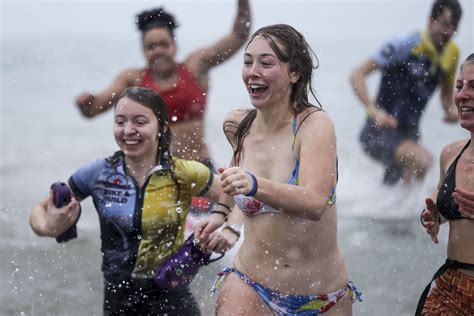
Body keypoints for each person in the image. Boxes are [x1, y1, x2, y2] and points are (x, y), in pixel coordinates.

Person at [195, 24, 362, 315]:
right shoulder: (238, 126)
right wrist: (221, 218)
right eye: (248, 62)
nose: (252, 72)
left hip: (321, 297)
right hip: (250, 282)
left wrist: (255, 184)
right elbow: (234, 179)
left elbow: (314, 203)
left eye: (266, 63)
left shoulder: (314, 126)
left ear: (294, 72)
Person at [30, 87, 234, 315]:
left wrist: (224, 221)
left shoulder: (182, 173)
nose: (128, 130)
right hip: (118, 301)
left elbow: (234, 191)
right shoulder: (99, 174)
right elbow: (40, 210)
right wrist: (48, 226)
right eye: (120, 122)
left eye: (139, 122)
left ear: (161, 128)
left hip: (171, 296)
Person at [76, 0, 251, 230]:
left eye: (163, 44)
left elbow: (238, 36)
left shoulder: (196, 67)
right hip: (159, 174)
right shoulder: (134, 80)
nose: (157, 51)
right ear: (143, 50)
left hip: (201, 168)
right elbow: (95, 109)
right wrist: (86, 104)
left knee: (213, 234)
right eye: (151, 46)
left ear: (174, 45)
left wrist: (243, 3)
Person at [350, 0, 462, 185]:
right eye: (444, 24)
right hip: (378, 131)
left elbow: (445, 98)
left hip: (410, 136)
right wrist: (375, 111)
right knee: (423, 161)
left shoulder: (452, 53)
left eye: (454, 27)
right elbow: (357, 75)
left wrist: (453, 110)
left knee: (396, 191)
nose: (448, 32)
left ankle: (403, 212)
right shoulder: (404, 44)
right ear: (430, 21)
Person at [417, 53, 474, 315]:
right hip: (450, 289)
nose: (462, 95)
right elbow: (440, 206)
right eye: (460, 85)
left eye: (473, 86)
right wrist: (432, 216)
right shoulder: (451, 153)